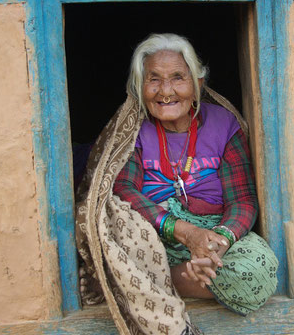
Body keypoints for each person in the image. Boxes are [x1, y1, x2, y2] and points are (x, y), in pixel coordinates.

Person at [112, 33, 278, 316]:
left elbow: (244, 200)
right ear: (140, 87)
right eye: (154, 79)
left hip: (213, 232)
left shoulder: (224, 124)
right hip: (156, 236)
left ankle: (167, 281)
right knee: (119, 255)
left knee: (261, 269)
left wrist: (219, 243)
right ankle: (177, 277)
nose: (166, 91)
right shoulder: (132, 129)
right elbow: (123, 191)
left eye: (178, 77)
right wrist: (185, 232)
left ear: (197, 84)